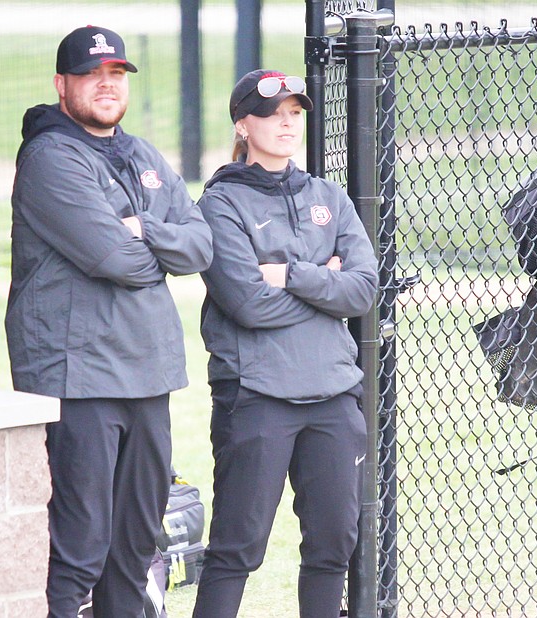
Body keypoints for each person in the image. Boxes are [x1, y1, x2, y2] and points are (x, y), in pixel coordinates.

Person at [4, 25, 212, 618]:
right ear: (62, 85)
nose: (105, 85)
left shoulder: (140, 153)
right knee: (82, 546)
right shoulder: (50, 157)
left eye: (116, 74)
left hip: (148, 373)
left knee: (136, 543)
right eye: (92, 75)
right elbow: (113, 260)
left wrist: (143, 229)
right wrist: (156, 246)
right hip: (80, 376)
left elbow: (202, 247)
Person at [192, 69, 380, 618]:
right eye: (272, 113)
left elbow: (364, 290)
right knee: (236, 547)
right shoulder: (221, 204)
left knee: (332, 546)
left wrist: (291, 274)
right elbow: (247, 302)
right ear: (243, 124)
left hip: (332, 396)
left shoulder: (330, 197)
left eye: (295, 113)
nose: (285, 123)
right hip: (258, 395)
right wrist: (326, 282)